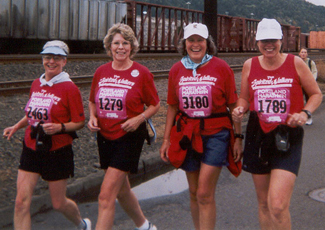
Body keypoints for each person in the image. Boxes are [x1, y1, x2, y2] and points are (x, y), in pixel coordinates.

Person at [232, 18, 322, 230]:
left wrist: (304, 112)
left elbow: (316, 94)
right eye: (264, 40)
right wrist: (240, 108)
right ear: (257, 42)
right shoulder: (249, 65)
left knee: (278, 205)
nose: (268, 45)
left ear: (281, 41)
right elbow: (244, 98)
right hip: (258, 134)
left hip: (287, 134)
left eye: (273, 39)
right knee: (264, 204)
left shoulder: (295, 63)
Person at [160, 22, 243, 230]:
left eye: (200, 40)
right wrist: (166, 139)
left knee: (205, 193)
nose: (195, 44)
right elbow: (172, 106)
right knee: (194, 192)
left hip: (217, 134)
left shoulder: (221, 68)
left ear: (208, 43)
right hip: (188, 133)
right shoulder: (177, 69)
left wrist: (238, 138)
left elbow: (234, 105)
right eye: (191, 40)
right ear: (184, 43)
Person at [3, 40, 91, 230]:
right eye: (47, 57)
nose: (51, 62)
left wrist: (59, 128)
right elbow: (32, 114)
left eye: (57, 58)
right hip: (31, 145)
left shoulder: (70, 88)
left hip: (57, 150)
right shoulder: (36, 83)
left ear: (64, 61)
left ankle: (81, 224)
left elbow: (80, 122)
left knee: (58, 203)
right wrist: (16, 126)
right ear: (43, 59)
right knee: (20, 203)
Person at [87, 23, 160, 230]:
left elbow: (155, 104)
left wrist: (139, 118)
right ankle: (144, 226)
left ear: (131, 47)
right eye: (116, 43)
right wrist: (92, 117)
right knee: (121, 189)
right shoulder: (101, 72)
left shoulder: (142, 73)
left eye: (125, 43)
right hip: (105, 136)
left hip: (129, 136)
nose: (121, 47)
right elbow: (92, 100)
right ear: (109, 46)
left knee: (105, 196)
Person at [299, 47, 318, 125]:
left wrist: (311, 81)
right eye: (302, 52)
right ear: (299, 54)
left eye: (305, 52)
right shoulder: (297, 62)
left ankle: (309, 117)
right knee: (299, 101)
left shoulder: (310, 62)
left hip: (308, 85)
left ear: (307, 54)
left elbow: (314, 71)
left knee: (308, 101)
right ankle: (299, 117)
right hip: (299, 84)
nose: (303, 54)